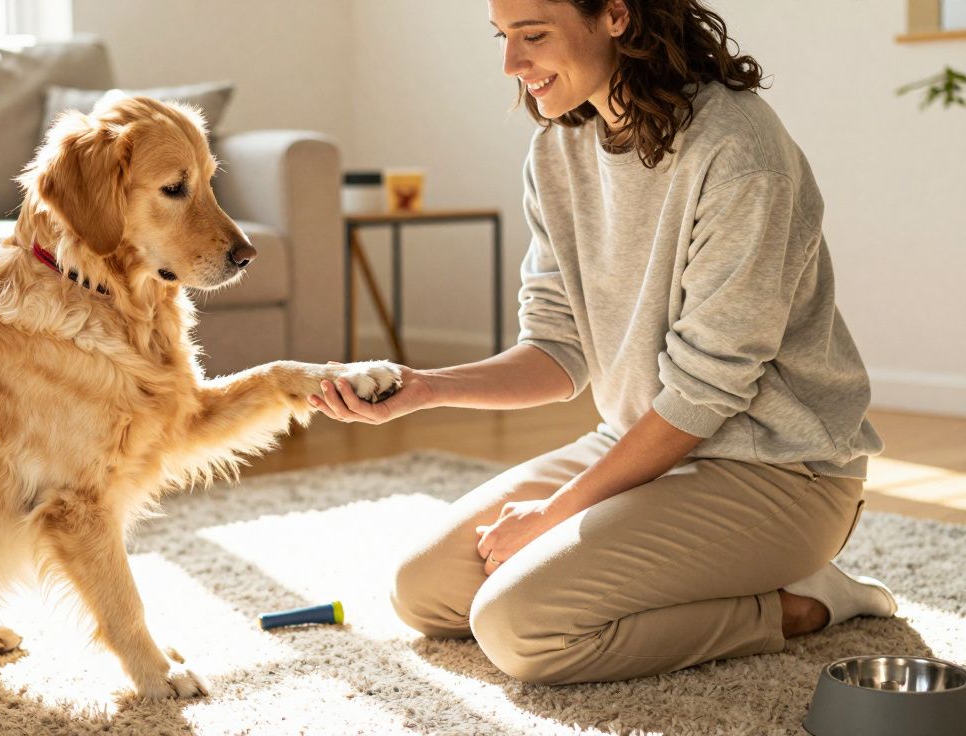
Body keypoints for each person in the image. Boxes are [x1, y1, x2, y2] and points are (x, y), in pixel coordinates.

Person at [309, 0, 897, 685]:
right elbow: (557, 347)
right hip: (640, 446)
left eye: (533, 35)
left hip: (780, 473)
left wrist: (554, 515)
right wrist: (426, 388)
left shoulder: (740, 153)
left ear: (616, 14)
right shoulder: (558, 151)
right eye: (502, 37)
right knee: (424, 590)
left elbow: (705, 393)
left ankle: (801, 605)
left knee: (519, 626)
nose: (511, 63)